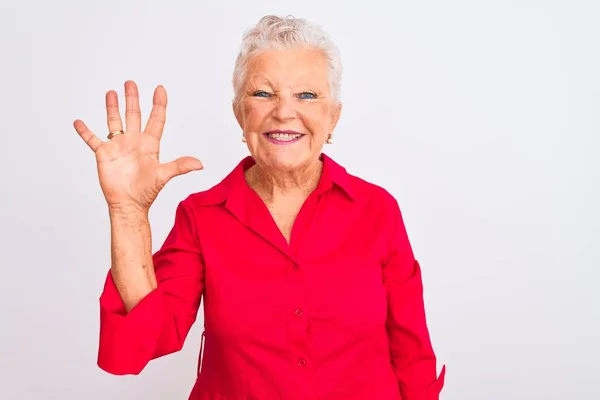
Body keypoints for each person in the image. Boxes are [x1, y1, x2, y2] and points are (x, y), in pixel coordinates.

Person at [73, 14, 445, 400]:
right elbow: (146, 339)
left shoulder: (376, 210)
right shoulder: (201, 217)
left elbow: (413, 357)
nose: (284, 112)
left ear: (332, 116)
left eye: (307, 95)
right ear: (239, 113)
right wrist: (127, 211)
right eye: (263, 94)